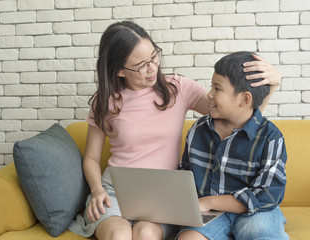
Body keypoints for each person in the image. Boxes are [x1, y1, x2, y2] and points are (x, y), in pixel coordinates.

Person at [68, 21, 282, 240]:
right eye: (141, 65)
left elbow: (239, 115)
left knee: (145, 234)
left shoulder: (177, 89)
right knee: (118, 236)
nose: (153, 68)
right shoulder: (105, 102)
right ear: (120, 70)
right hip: (115, 191)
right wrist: (97, 190)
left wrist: (272, 85)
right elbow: (92, 158)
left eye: (154, 56)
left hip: (162, 195)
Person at [177, 51, 288, 240]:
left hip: (255, 210)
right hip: (211, 212)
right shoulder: (198, 130)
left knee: (260, 233)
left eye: (217, 89)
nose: (209, 94)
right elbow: (185, 176)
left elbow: (267, 195)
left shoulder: (271, 137)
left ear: (245, 99)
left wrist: (209, 201)